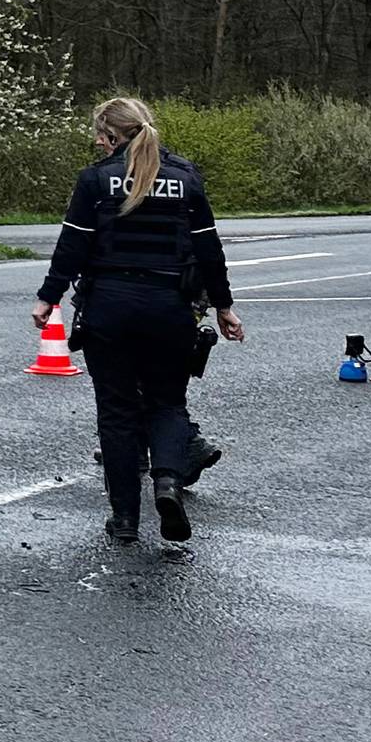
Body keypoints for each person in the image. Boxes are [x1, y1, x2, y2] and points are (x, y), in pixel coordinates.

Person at [34, 96, 243, 544]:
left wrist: (48, 298)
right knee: (167, 403)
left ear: (113, 135)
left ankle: (125, 518)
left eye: (99, 134)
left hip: (109, 308)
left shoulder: (95, 180)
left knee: (117, 413)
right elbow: (209, 250)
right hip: (170, 308)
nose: (95, 141)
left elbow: (72, 247)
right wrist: (224, 306)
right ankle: (166, 482)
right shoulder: (186, 179)